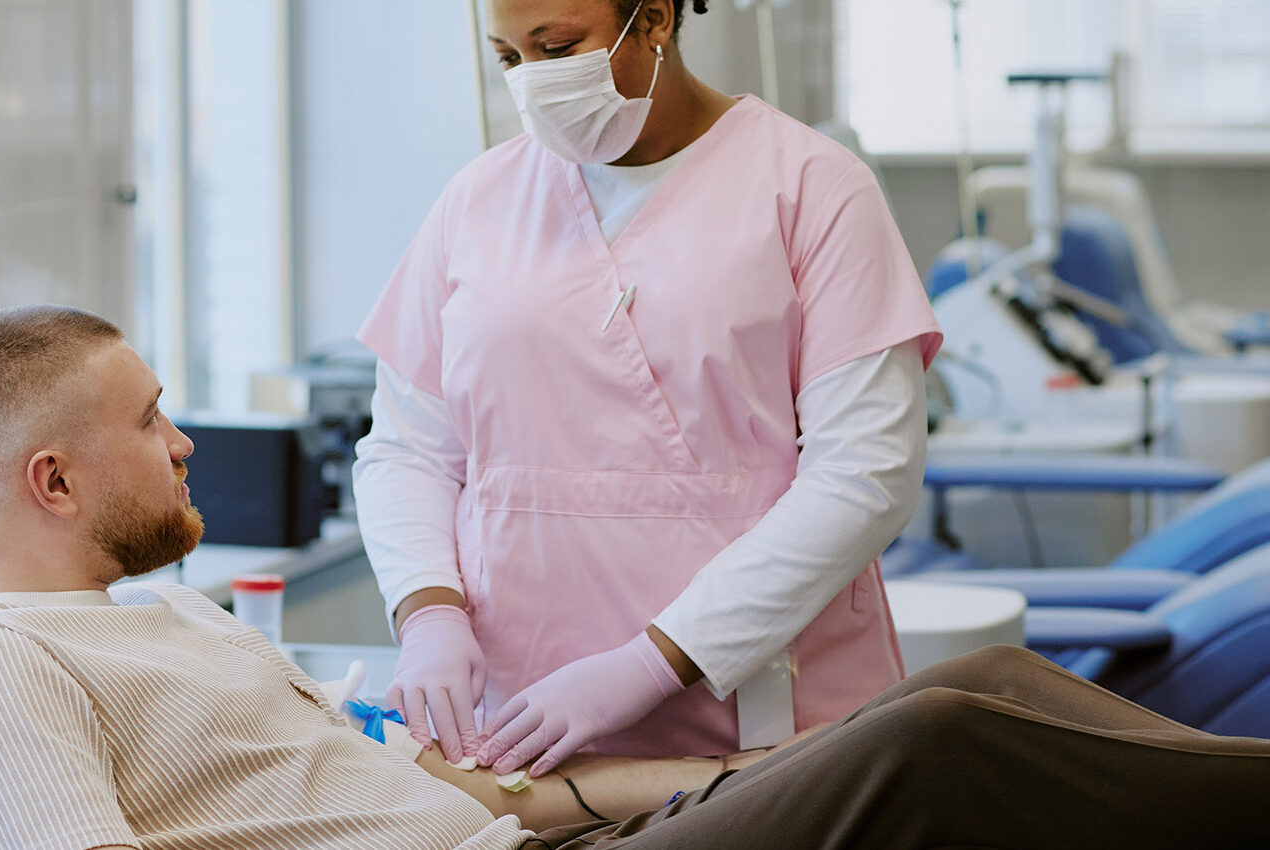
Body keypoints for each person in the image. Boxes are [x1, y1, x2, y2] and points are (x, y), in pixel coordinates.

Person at [0, 306, 1270, 850]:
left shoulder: (163, 619)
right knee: (938, 761)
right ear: (49, 479)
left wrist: (709, 777)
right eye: (150, 422)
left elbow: (452, 794)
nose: (186, 446)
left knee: (953, 696)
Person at [353, 0, 942, 778]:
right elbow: (407, 446)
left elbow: (866, 473)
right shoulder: (479, 198)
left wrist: (651, 665)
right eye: (508, 58)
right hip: (518, 723)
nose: (533, 81)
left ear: (656, 19)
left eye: (558, 47)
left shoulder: (812, 188)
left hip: (757, 715)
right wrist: (428, 608)